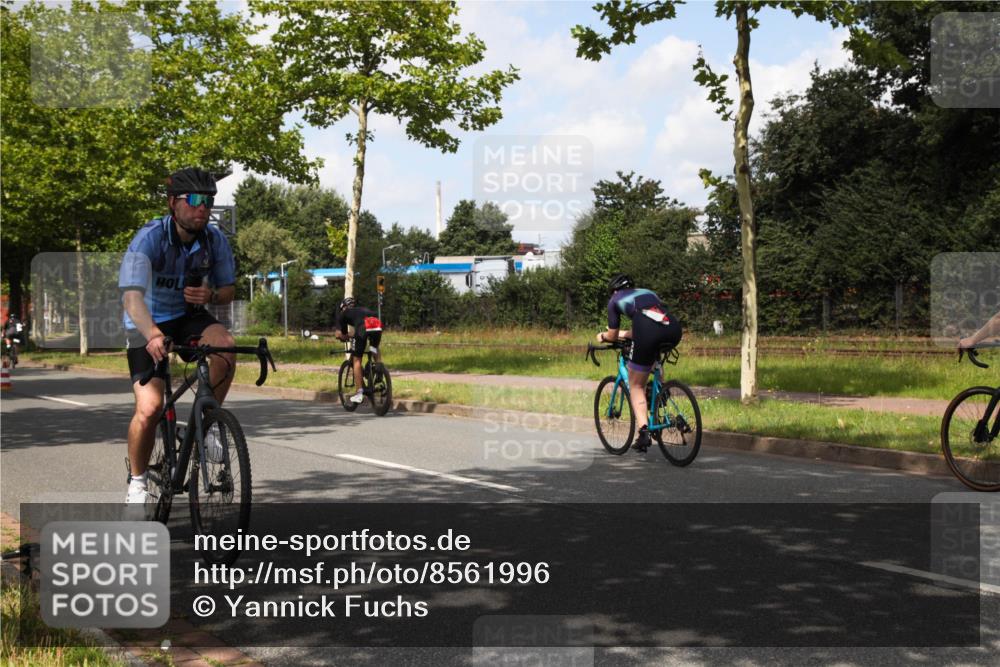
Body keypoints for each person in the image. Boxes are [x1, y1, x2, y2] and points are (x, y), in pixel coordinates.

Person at [118, 167, 237, 504]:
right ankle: (138, 483)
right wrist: (153, 334)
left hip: (189, 317)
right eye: (196, 200)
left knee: (225, 346)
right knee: (151, 407)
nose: (204, 207)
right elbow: (131, 297)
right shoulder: (150, 238)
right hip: (147, 320)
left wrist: (212, 296)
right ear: (173, 203)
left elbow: (229, 289)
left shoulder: (214, 241)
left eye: (210, 200)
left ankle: (208, 423)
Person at [597, 274, 682, 452]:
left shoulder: (614, 300)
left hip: (647, 332)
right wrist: (624, 334)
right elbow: (647, 322)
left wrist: (603, 337)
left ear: (614, 290)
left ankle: (643, 432)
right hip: (672, 329)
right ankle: (659, 391)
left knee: (636, 385)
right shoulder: (648, 292)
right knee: (653, 359)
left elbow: (612, 335)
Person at [334, 297, 383, 404]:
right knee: (373, 347)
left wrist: (343, 337)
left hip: (363, 327)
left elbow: (341, 334)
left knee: (357, 360)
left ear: (343, 307)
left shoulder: (344, 313)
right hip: (376, 323)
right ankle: (379, 367)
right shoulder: (361, 310)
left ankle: (359, 393)